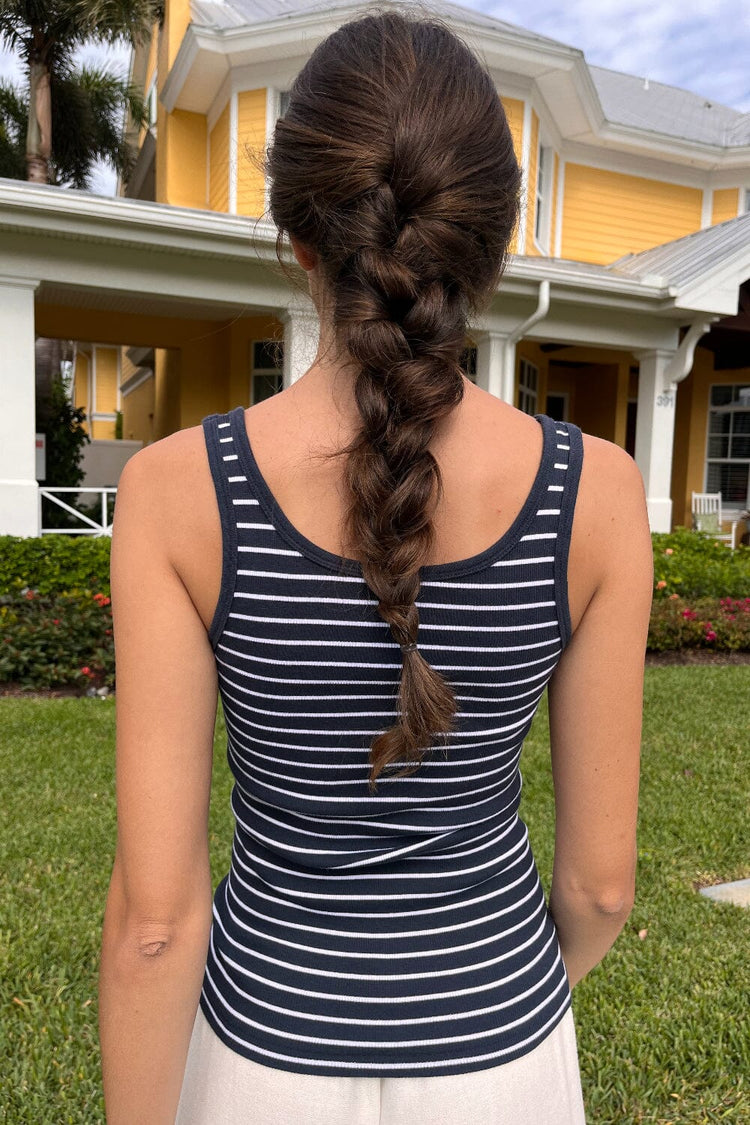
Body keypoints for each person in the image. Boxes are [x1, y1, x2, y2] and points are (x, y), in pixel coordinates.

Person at [98, 6, 654, 1124]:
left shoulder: (175, 493)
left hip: (260, 1055)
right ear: (490, 246)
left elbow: (154, 922)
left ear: (294, 237)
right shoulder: (595, 492)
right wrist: (488, 1004)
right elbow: (601, 886)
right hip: (504, 1056)